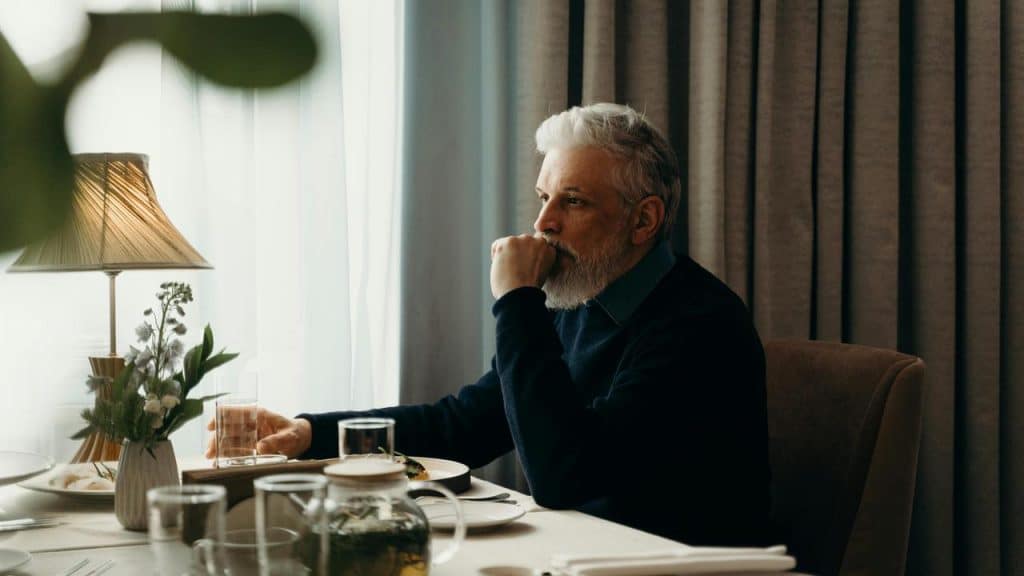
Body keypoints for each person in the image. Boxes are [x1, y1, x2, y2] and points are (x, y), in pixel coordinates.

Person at [207, 103, 772, 546]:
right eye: (544, 197)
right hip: (586, 553)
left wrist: (518, 300)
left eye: (572, 202)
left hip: (675, 566)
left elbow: (565, 479)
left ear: (643, 219)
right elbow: (467, 424)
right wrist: (310, 434)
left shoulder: (699, 325)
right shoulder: (579, 298)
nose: (542, 223)